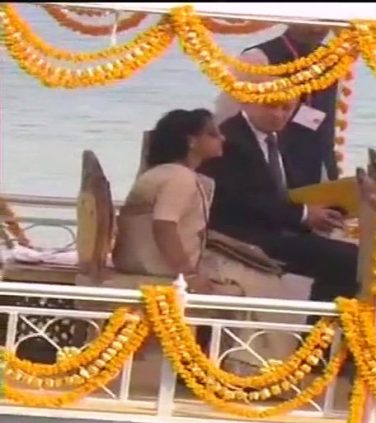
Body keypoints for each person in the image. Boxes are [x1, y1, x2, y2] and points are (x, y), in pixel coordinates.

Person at [200, 83, 359, 305]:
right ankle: (318, 334)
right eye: (271, 106)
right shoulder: (230, 140)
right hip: (242, 234)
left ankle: (320, 327)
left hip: (277, 225)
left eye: (287, 108)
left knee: (350, 253)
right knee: (348, 260)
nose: (279, 115)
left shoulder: (279, 138)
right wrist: (303, 214)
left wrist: (317, 210)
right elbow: (245, 200)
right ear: (248, 101)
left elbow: (282, 191)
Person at [113, 108, 223, 293]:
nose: (222, 138)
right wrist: (188, 275)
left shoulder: (158, 173)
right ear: (191, 141)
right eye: (212, 134)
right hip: (159, 270)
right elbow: (164, 227)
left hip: (131, 262)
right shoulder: (180, 177)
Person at [214, 24, 338, 188]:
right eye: (310, 21)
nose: (317, 29)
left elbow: (328, 122)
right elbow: (227, 117)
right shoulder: (256, 58)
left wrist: (331, 172)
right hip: (264, 166)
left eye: (324, 21)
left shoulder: (332, 59)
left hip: (313, 168)